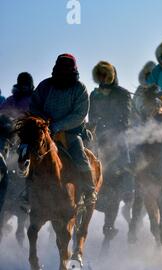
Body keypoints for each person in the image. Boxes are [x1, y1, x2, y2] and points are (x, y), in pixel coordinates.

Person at [30, 54, 96, 206]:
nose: (64, 70)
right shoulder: (45, 86)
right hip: (44, 131)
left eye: (68, 67)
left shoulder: (79, 88)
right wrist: (45, 122)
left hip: (70, 132)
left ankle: (89, 189)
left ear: (73, 69)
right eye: (61, 67)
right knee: (29, 154)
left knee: (79, 153)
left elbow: (79, 114)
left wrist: (58, 126)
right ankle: (26, 192)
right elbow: (34, 106)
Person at [89, 61, 133, 236]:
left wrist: (111, 127)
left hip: (117, 135)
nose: (102, 79)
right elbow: (91, 115)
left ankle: (129, 189)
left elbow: (127, 117)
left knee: (125, 158)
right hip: (98, 136)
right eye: (100, 76)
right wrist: (94, 126)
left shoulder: (122, 94)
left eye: (105, 76)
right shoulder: (94, 94)